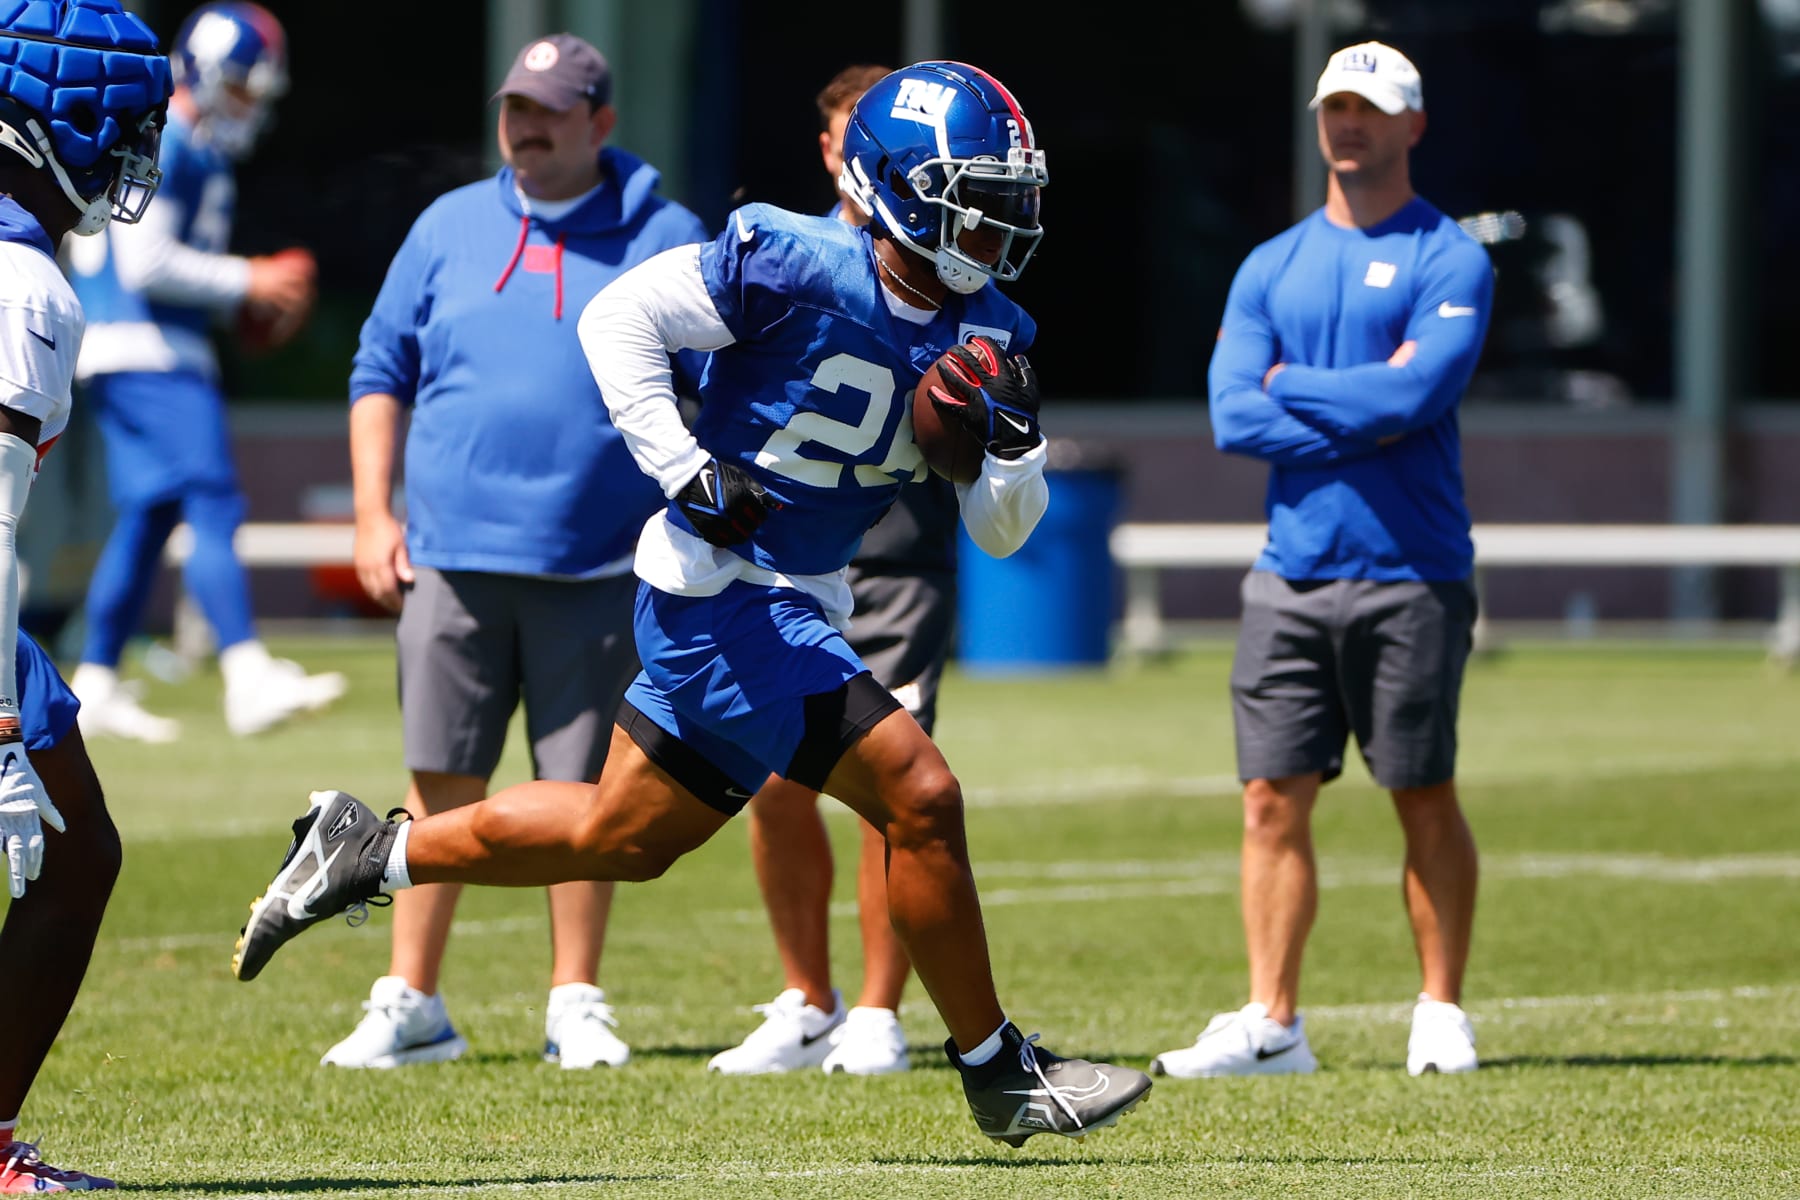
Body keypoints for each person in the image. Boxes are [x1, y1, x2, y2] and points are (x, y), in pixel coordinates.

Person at [232, 61, 1152, 1147]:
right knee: (921, 794)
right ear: (900, 186)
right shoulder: (790, 258)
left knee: (620, 835)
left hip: (791, 599)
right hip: (725, 592)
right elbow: (618, 319)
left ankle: (365, 852)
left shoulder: (991, 328)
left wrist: (1012, 448)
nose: (1000, 221)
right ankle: (1001, 1071)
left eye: (1011, 198)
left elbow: (1003, 533)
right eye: (977, 195)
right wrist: (681, 465)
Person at [321, 33, 711, 1072]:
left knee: (586, 794)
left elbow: (723, 388)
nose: (526, 128)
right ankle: (411, 999)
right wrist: (372, 513)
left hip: (602, 566)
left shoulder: (670, 233)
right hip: (452, 554)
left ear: (602, 123)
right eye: (514, 109)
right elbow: (379, 369)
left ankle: (575, 1002)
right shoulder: (448, 224)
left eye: (549, 110)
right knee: (442, 780)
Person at [1149, 41, 1492, 1081]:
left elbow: (1411, 399)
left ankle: (1440, 1009)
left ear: (1413, 126)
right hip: (1290, 570)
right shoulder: (1272, 264)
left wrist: (1299, 387)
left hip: (1412, 570)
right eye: (1336, 106)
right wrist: (1361, 407)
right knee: (1270, 799)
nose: (1351, 124)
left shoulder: (1450, 256)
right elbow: (1230, 413)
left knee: (1420, 789)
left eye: (1373, 109)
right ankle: (1273, 1022)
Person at [707, 62, 960, 1079]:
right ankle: (807, 996)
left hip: (895, 555)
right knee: (776, 784)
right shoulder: (783, 254)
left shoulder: (942, 272)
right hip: (779, 569)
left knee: (894, 784)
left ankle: (878, 1011)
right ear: (830, 149)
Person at [64, 0, 345, 744]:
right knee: (214, 498)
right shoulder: (169, 140)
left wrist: (241, 302)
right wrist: (252, 281)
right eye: (245, 85)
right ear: (210, 72)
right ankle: (245, 671)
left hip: (139, 347)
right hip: (145, 349)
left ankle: (92, 681)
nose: (251, 104)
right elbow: (146, 262)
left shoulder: (195, 147)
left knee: (153, 514)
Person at [0, 1, 171, 1189]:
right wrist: (4, 734)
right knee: (73, 854)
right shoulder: (23, 289)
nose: (131, 155)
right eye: (121, 126)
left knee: (81, 854)